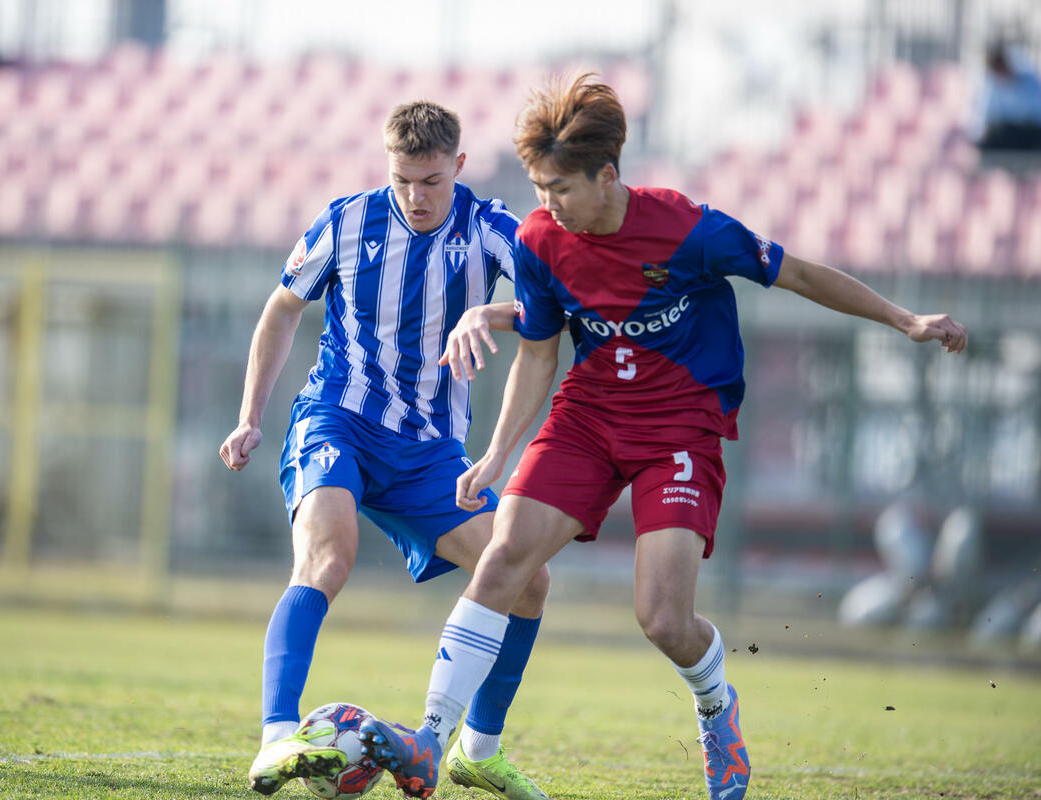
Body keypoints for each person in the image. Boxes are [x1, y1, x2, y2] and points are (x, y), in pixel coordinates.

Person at [358, 73, 968, 800]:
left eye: (559, 188)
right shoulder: (539, 239)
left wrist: (905, 320)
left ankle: (716, 710)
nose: (546, 204)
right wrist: (497, 453)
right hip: (587, 419)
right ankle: (430, 741)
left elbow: (799, 273)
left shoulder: (689, 230)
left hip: (680, 427)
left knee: (662, 618)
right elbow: (540, 351)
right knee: (504, 555)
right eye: (538, 186)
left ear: (607, 175)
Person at [219, 100, 551, 800]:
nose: (416, 196)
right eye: (403, 179)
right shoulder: (345, 221)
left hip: (428, 450)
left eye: (431, 180)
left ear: (458, 167)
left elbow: (555, 308)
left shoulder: (492, 230)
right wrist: (250, 416)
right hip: (337, 416)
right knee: (327, 557)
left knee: (527, 577)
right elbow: (283, 307)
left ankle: (477, 751)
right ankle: (277, 737)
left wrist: (488, 310)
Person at [972, 40, 1041, 153]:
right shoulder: (994, 87)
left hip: (1030, 133)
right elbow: (989, 116)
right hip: (1006, 134)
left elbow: (1036, 113)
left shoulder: (1029, 80)